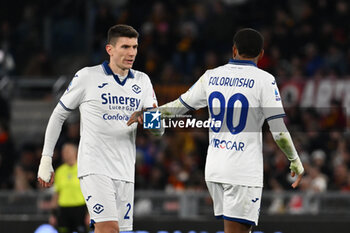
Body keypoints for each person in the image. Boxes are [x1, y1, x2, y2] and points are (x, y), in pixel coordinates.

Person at [128, 28, 304, 233]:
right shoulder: (265, 80)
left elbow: (178, 106)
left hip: (215, 168)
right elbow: (279, 132)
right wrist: (295, 160)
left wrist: (148, 115)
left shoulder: (212, 76)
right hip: (242, 170)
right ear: (261, 54)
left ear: (234, 50)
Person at [38, 24, 162, 233]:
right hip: (94, 167)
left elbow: (158, 131)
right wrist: (46, 158)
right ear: (109, 49)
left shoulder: (143, 81)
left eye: (134, 47)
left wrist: (151, 121)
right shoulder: (87, 77)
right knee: (108, 228)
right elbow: (58, 114)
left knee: (119, 231)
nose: (131, 53)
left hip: (125, 170)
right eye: (125, 47)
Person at [52, 142, 87, 233]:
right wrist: (53, 214)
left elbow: (90, 192)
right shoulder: (60, 171)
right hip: (64, 209)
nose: (65, 154)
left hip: (80, 208)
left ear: (75, 153)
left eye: (68, 151)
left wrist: (90, 213)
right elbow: (57, 193)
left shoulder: (83, 168)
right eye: (64, 152)